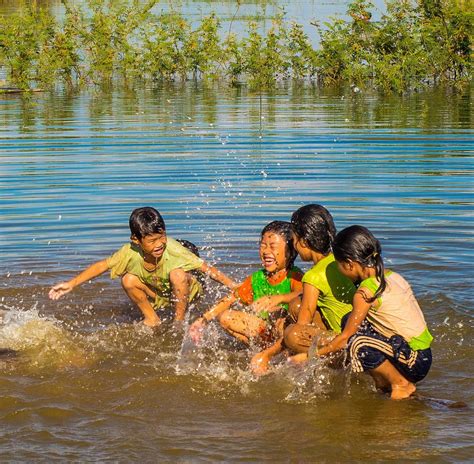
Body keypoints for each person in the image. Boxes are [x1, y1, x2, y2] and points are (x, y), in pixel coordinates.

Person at [49, 207, 237, 327]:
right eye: (152, 240)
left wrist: (235, 287)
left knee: (178, 274)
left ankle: (178, 323)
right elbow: (103, 265)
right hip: (161, 292)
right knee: (128, 279)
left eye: (162, 237)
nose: (159, 244)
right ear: (136, 240)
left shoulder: (173, 249)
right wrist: (72, 283)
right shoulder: (129, 251)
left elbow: (207, 268)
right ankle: (152, 319)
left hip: (188, 291)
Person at [315, 225, 433, 400]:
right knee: (350, 319)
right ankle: (385, 380)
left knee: (356, 342)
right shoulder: (391, 276)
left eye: (338, 264)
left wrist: (313, 356)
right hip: (421, 354)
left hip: (414, 360)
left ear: (349, 264)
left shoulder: (364, 293)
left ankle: (400, 384)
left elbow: (346, 338)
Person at [188, 221, 303, 374]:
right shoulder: (257, 279)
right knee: (226, 317)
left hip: (287, 334)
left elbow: (303, 295)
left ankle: (285, 354)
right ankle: (261, 349)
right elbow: (230, 298)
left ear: (290, 251)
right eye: (263, 245)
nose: (266, 252)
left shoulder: (295, 276)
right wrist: (203, 319)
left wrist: (280, 298)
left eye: (273, 247)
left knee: (282, 322)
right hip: (265, 331)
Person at [283, 204, 356, 362]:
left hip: (343, 340)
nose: (294, 246)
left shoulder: (313, 276)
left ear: (303, 241)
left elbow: (303, 324)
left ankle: (329, 357)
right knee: (297, 303)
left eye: (294, 240)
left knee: (292, 334)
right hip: (357, 330)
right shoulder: (340, 261)